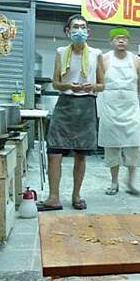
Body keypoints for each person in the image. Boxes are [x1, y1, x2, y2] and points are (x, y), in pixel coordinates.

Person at [37, 14, 103, 211]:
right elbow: (56, 83)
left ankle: (76, 196)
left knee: (81, 154)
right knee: (54, 151)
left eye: (83, 27)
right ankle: (53, 198)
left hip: (87, 106)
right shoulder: (60, 52)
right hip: (65, 103)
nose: (79, 31)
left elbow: (102, 84)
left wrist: (93, 86)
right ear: (68, 31)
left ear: (88, 31)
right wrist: (68, 86)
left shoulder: (96, 54)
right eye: (75, 27)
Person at [98, 27, 140, 196]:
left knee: (133, 148)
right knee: (112, 148)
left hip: (131, 109)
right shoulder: (104, 59)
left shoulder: (136, 60)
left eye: (124, 38)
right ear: (111, 42)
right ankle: (114, 183)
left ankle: (130, 182)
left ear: (128, 41)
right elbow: (97, 84)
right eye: (117, 38)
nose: (121, 40)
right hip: (110, 109)